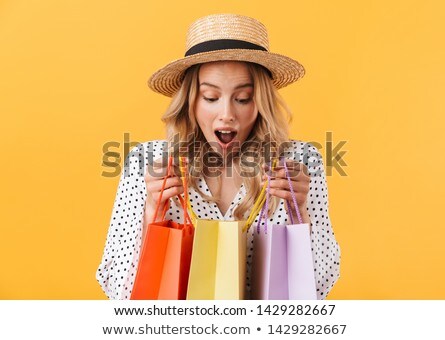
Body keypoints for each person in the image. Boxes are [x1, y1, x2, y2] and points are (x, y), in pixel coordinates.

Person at [96, 13, 340, 299]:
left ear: (260, 102)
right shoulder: (148, 162)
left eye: (243, 98)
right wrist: (152, 211)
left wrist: (302, 215)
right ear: (191, 100)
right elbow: (118, 291)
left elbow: (319, 290)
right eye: (211, 97)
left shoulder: (297, 162)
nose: (227, 115)